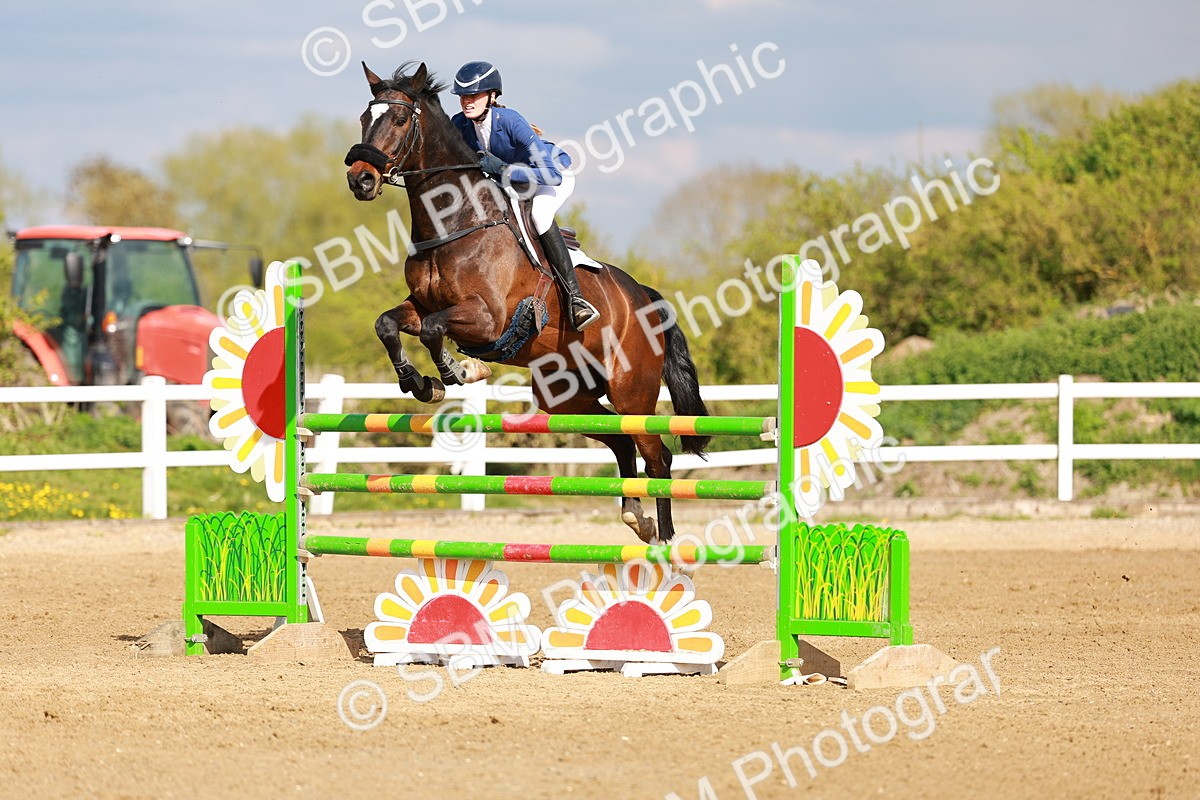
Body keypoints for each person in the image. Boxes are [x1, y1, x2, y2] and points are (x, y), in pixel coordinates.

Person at [449, 60, 600, 332]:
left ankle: (575, 298)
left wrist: (505, 169)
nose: (466, 102)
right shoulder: (459, 124)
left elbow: (550, 175)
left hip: (549, 176)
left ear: (492, 96)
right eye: (462, 96)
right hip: (510, 183)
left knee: (540, 216)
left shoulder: (510, 121)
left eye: (473, 95)